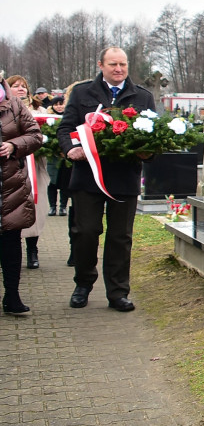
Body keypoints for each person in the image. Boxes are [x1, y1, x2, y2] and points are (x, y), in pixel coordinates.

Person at [57, 47, 155, 312]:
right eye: (113, 64)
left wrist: (148, 152)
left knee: (120, 236)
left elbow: (153, 134)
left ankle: (118, 292)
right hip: (88, 176)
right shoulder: (82, 93)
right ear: (101, 65)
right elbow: (65, 128)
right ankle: (83, 283)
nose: (119, 69)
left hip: (124, 177)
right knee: (86, 232)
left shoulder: (142, 96)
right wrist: (70, 149)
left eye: (123, 64)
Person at [0, 78, 44, 315]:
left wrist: (13, 146)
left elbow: (35, 135)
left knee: (10, 244)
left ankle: (12, 296)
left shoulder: (15, 104)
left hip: (10, 185)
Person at [7, 76, 49, 270]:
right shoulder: (7, 108)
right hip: (12, 167)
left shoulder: (40, 111)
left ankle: (33, 250)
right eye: (16, 86)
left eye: (24, 86)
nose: (21, 89)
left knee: (35, 207)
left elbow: (39, 135)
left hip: (36, 166)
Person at [45, 95, 71, 217]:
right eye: (56, 104)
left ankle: (63, 207)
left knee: (65, 182)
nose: (59, 107)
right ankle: (52, 206)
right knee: (52, 183)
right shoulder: (48, 119)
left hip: (65, 157)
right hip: (52, 157)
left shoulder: (69, 116)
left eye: (61, 104)